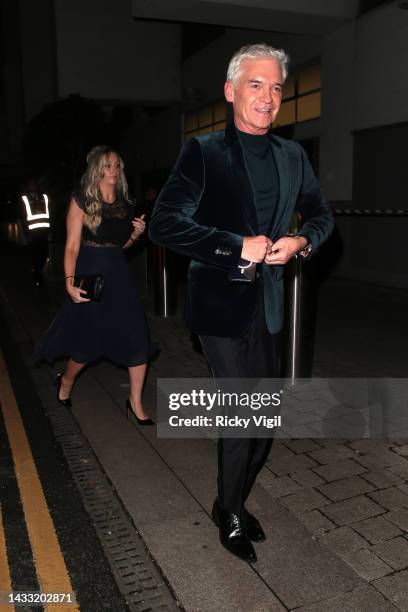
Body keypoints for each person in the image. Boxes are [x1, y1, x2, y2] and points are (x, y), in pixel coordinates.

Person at [149, 44, 333, 562]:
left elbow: (321, 213)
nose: (268, 98)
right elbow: (165, 224)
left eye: (276, 88)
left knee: (267, 417)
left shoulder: (292, 156)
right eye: (256, 85)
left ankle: (231, 497)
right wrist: (235, 245)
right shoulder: (203, 152)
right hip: (221, 306)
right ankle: (230, 509)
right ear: (231, 91)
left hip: (269, 304)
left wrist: (302, 242)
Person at [35, 145, 155, 425]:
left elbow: (118, 246)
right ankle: (66, 381)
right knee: (88, 342)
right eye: (108, 165)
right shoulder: (81, 200)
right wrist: (69, 283)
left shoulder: (125, 202)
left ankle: (135, 402)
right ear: (97, 169)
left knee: (137, 334)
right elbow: (72, 247)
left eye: (117, 165)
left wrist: (135, 235)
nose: (113, 169)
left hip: (119, 276)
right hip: (89, 274)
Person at [21, 178, 51, 287]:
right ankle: (37, 277)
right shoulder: (24, 199)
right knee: (35, 256)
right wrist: (26, 234)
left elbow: (49, 214)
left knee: (44, 254)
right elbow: (23, 217)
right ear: (28, 186)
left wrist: (49, 231)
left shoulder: (44, 197)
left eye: (34, 183)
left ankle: (38, 272)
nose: (33, 186)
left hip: (44, 232)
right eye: (30, 184)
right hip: (33, 233)